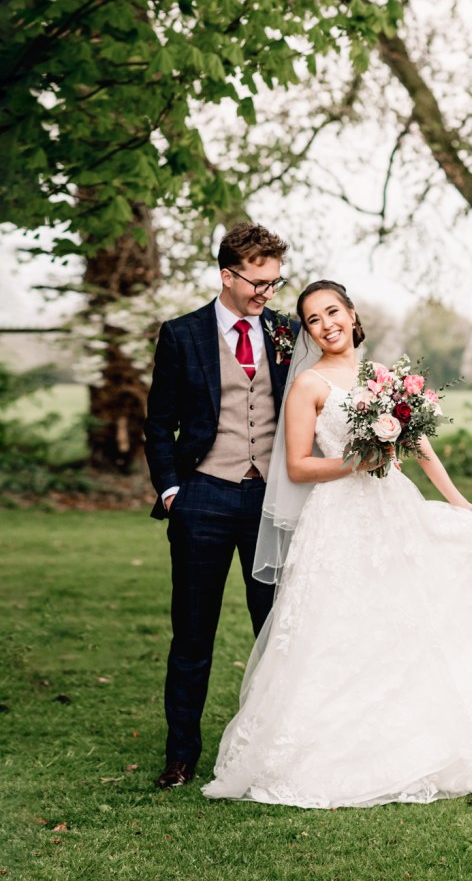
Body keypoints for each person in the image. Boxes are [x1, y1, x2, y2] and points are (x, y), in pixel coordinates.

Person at [202, 280, 472, 808]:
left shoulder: (384, 379)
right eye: (313, 319)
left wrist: (458, 499)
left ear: (352, 314)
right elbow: (297, 466)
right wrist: (358, 461)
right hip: (337, 519)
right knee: (338, 626)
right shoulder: (308, 385)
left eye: (333, 311)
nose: (326, 324)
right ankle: (327, 747)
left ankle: (414, 735)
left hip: (392, 510)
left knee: (404, 619)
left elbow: (420, 444)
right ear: (307, 331)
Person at [144, 222, 298, 790]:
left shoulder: (285, 332)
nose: (266, 293)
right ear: (227, 274)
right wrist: (171, 490)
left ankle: (271, 754)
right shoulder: (182, 334)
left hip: (269, 500)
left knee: (274, 633)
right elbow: (159, 424)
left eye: (274, 283)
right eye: (258, 282)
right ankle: (181, 756)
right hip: (203, 496)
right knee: (192, 637)